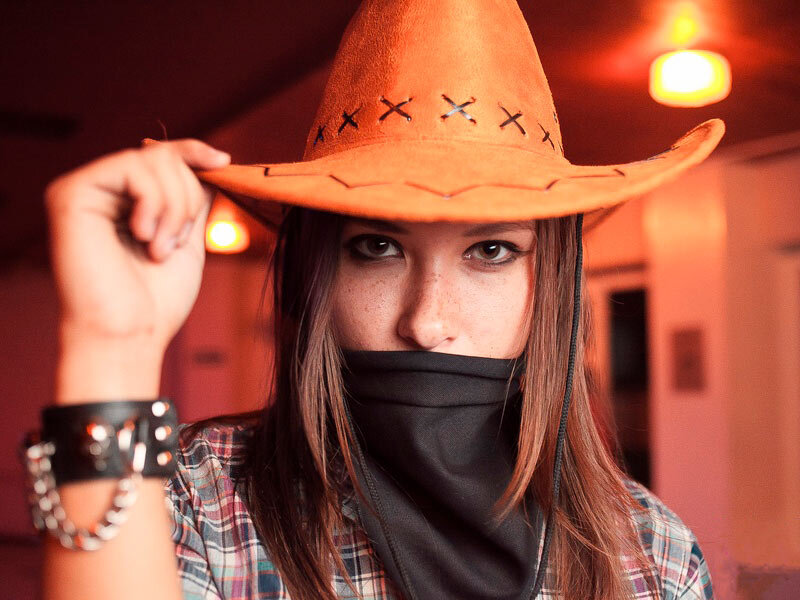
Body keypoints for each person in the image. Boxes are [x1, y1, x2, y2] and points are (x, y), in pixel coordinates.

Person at [31, 1, 725, 599]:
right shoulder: (195, 497)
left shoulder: (652, 554)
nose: (427, 321)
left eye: (491, 251)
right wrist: (111, 348)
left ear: (553, 286)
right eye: (377, 247)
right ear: (317, 273)